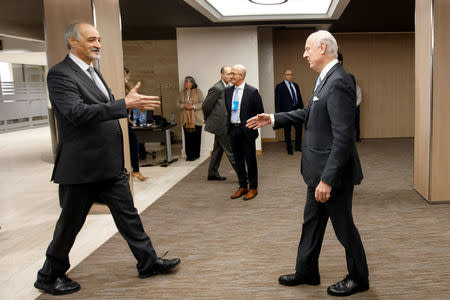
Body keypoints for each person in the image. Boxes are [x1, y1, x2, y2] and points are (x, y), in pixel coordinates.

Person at [34, 22, 180, 296]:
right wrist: (123, 104)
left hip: (108, 164)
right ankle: (48, 275)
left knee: (128, 216)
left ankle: (147, 262)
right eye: (91, 40)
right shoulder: (60, 75)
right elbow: (76, 113)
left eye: (99, 39)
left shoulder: (94, 73)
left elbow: (103, 110)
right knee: (70, 224)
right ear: (72, 43)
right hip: (82, 166)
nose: (98, 44)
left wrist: (126, 105)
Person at [247, 30, 369, 297]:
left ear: (322, 48)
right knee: (311, 223)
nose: (304, 55)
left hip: (331, 175)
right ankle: (306, 271)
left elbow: (344, 137)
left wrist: (327, 179)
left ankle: (359, 278)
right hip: (317, 172)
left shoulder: (339, 81)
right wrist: (273, 118)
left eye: (307, 49)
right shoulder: (324, 79)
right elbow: (308, 112)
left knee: (344, 227)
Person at [226, 64, 264, 201]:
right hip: (233, 129)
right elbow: (229, 110)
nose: (230, 76)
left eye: (233, 74)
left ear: (241, 76)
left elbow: (260, 112)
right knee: (238, 160)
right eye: (230, 73)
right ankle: (242, 186)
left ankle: (253, 187)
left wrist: (252, 126)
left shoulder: (252, 91)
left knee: (250, 160)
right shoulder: (228, 91)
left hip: (247, 131)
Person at [202, 66, 238, 180]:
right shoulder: (217, 88)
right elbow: (206, 105)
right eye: (227, 74)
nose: (230, 76)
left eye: (231, 74)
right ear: (221, 75)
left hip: (225, 123)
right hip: (220, 124)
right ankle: (243, 174)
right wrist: (207, 118)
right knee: (231, 150)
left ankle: (212, 173)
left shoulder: (228, 87)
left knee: (218, 149)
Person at [124, 67, 148, 181]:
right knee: (134, 144)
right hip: (122, 120)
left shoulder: (126, 88)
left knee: (134, 144)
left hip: (126, 119)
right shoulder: (121, 88)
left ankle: (136, 170)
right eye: (127, 76)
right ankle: (136, 171)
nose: (129, 78)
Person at [275, 68, 304, 154]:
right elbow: (277, 102)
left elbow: (299, 99)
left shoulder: (296, 85)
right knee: (287, 131)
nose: (290, 76)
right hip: (286, 113)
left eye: (291, 74)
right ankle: (289, 148)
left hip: (297, 111)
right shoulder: (279, 87)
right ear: (284, 75)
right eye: (288, 74)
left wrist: (302, 110)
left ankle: (298, 146)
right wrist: (278, 115)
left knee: (299, 129)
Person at [178, 76, 204, 161]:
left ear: (192, 83)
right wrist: (183, 106)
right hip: (185, 119)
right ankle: (189, 155)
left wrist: (193, 106)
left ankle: (196, 155)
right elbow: (177, 104)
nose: (185, 83)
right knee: (188, 137)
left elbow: (203, 103)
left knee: (196, 137)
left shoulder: (198, 92)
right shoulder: (182, 92)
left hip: (196, 118)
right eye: (185, 82)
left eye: (187, 81)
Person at [338, 52, 362, 142]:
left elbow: (359, 98)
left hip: (355, 107)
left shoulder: (358, 88)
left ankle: (357, 137)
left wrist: (353, 105)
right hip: (345, 107)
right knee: (347, 124)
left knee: (356, 123)